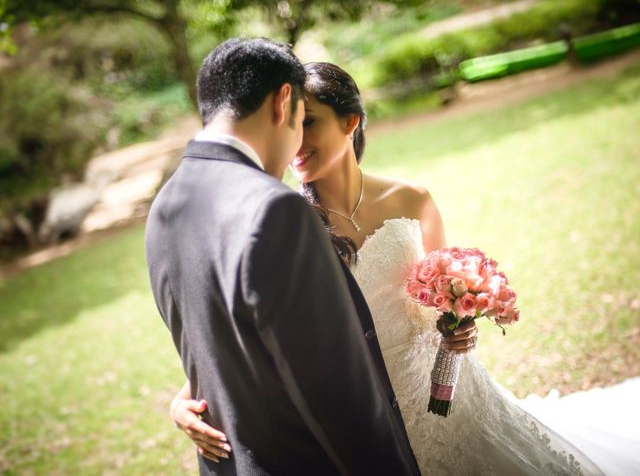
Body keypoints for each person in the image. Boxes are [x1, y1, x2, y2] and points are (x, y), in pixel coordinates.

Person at [172, 61, 640, 475]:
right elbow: (251, 330)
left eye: (309, 122)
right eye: (293, 123)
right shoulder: (287, 224)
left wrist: (460, 328)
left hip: (447, 393)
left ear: (350, 121)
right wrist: (185, 396)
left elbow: (448, 296)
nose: (295, 139)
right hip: (366, 412)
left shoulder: (411, 200)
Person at [145, 39, 426, 476]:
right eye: (302, 120)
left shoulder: (166, 207)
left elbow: (223, 342)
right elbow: (338, 397)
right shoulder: (275, 209)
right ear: (283, 103)